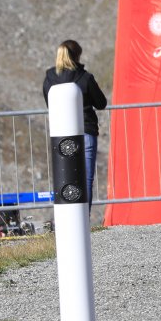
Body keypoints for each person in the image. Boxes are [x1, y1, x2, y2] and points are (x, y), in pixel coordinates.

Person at [42, 39, 108, 201]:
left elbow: (50, 104)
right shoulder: (85, 77)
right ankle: (85, 214)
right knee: (86, 180)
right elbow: (101, 103)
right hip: (85, 130)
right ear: (77, 56)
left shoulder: (50, 79)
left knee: (65, 180)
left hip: (61, 136)